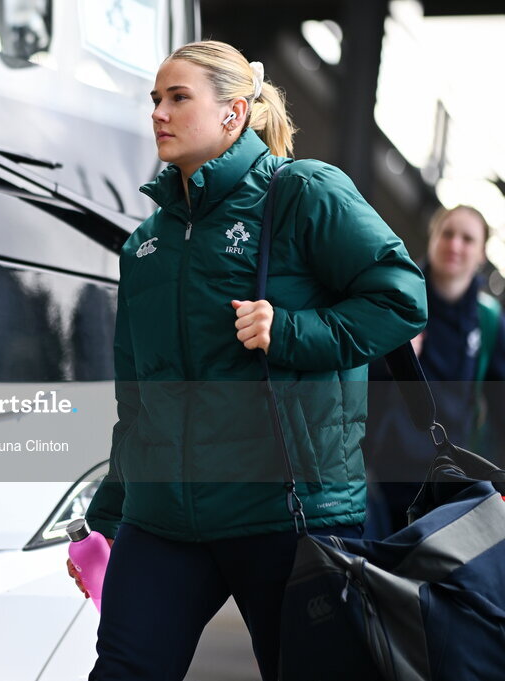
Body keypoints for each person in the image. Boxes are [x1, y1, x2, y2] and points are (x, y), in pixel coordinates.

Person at [65, 40, 427, 680]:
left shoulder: (303, 193)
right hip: (165, 519)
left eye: (179, 98)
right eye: (155, 99)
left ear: (234, 113)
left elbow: (400, 298)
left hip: (287, 517)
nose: (159, 113)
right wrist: (107, 520)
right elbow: (139, 402)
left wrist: (289, 332)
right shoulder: (144, 246)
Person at [364, 205, 505, 538]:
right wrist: (392, 358)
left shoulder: (488, 323)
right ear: (432, 239)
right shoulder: (396, 299)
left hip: (449, 484)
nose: (455, 245)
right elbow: (353, 374)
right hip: (384, 477)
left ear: (482, 253)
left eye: (467, 238)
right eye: (447, 233)